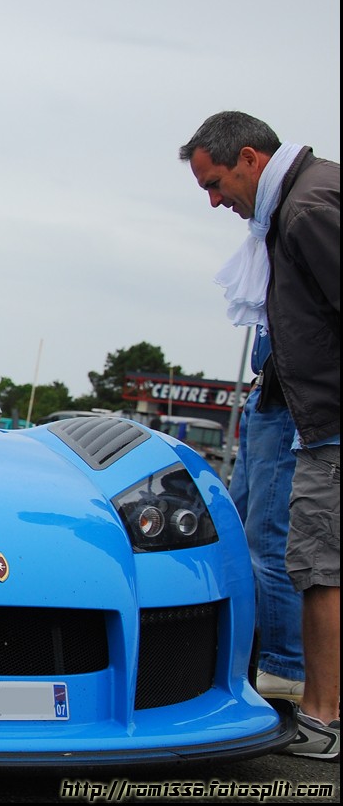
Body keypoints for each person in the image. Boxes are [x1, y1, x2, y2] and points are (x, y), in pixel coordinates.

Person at [180, 110, 339, 760]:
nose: (216, 201)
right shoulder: (295, 205)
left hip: (320, 420)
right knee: (272, 543)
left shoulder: (305, 211)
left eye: (215, 183)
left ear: (249, 158)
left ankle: (310, 705)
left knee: (304, 561)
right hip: (294, 406)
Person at [227, 325, 304, 704]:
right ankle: (246, 654)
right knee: (232, 536)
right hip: (266, 394)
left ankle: (285, 667)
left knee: (267, 540)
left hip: (286, 397)